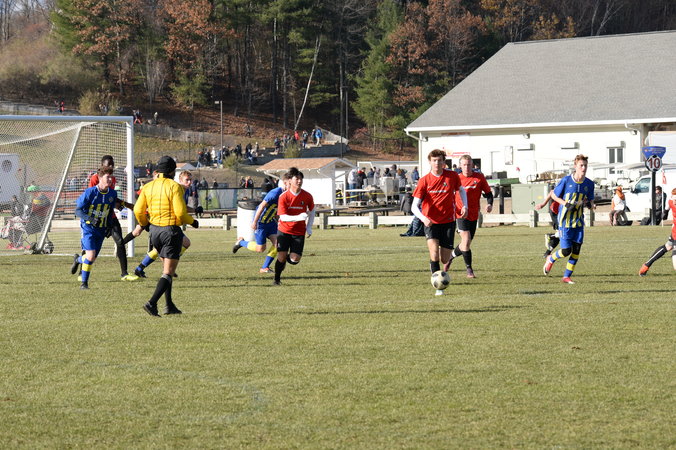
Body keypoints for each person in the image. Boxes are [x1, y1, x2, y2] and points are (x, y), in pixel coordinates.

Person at [134, 156, 198, 317]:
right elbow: (180, 213)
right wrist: (193, 222)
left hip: (154, 231)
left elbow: (138, 210)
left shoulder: (148, 186)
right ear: (172, 171)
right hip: (170, 231)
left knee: (166, 270)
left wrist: (145, 224)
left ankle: (169, 305)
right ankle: (152, 303)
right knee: (168, 272)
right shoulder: (175, 186)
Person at [411, 149, 467, 296]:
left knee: (445, 258)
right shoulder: (424, 181)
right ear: (430, 162)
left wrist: (465, 206)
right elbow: (414, 206)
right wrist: (423, 218)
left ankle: (442, 267)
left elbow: (461, 190)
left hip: (448, 221)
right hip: (431, 223)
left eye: (439, 160)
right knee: (434, 254)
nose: (437, 163)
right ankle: (438, 286)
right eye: (434, 160)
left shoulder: (452, 176)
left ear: (444, 162)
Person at [543, 154, 596, 284]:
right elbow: (554, 195)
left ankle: (566, 276)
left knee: (576, 250)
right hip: (565, 221)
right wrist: (565, 204)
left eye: (585, 166)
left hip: (578, 221)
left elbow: (590, 200)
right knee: (566, 251)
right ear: (575, 166)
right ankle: (551, 258)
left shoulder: (589, 184)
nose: (583, 168)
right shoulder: (566, 180)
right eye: (581, 165)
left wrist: (591, 205)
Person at [85, 155, 139, 281]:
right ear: (101, 166)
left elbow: (111, 197)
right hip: (97, 218)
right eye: (108, 164)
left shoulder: (112, 179)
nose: (111, 167)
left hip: (110, 216)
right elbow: (92, 197)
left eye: (112, 165)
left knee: (120, 242)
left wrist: (126, 205)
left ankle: (124, 274)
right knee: (92, 248)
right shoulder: (94, 179)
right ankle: (80, 265)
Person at [134, 170, 195, 279]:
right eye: (187, 180)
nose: (189, 182)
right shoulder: (176, 188)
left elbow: (182, 207)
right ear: (180, 180)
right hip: (165, 224)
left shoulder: (184, 190)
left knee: (160, 249)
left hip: (167, 225)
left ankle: (141, 268)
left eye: (191, 180)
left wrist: (195, 209)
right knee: (184, 243)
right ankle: (168, 265)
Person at [444, 155, 493, 278]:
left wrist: (489, 204)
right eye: (464, 165)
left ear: (472, 165)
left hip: (474, 215)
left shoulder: (479, 177)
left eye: (469, 164)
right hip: (460, 214)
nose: (466, 167)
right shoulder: (456, 178)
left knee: (465, 244)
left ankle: (450, 257)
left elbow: (488, 193)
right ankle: (469, 270)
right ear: (460, 166)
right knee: (466, 240)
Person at [70, 165, 117, 289]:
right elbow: (78, 211)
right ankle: (84, 284)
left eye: (111, 177)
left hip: (101, 229)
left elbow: (110, 211)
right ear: (100, 178)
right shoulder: (90, 192)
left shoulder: (112, 194)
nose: (110, 179)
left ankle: (78, 260)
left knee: (92, 257)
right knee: (90, 256)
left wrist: (109, 226)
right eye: (108, 177)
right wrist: (90, 219)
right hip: (88, 228)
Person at [233, 173, 290, 273]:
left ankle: (264, 267)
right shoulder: (275, 193)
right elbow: (261, 206)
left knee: (278, 244)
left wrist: (279, 221)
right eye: (291, 184)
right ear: (285, 183)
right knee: (260, 249)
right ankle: (241, 242)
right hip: (261, 223)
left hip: (271, 222)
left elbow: (277, 210)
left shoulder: (288, 195)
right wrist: (255, 222)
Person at [273, 167, 315, 286]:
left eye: (301, 179)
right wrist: (299, 217)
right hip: (284, 230)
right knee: (281, 257)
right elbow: (283, 217)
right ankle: (276, 279)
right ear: (290, 181)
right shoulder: (283, 196)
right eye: (297, 179)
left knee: (294, 260)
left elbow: (312, 211)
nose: (299, 181)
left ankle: (287, 258)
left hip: (299, 232)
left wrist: (309, 227)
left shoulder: (307, 196)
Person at [639, 187, 676, 276]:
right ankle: (646, 266)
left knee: (668, 246)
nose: (674, 201)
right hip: (675, 231)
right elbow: (666, 210)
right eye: (673, 199)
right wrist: (665, 213)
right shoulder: (670, 201)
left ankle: (646, 265)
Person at [535, 188, 561, 258]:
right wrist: (543, 204)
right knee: (561, 233)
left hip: (566, 212)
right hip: (556, 211)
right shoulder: (566, 183)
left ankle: (547, 253)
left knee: (560, 235)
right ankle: (551, 236)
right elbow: (552, 192)